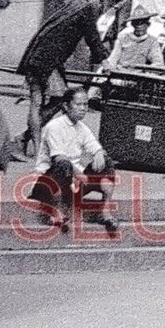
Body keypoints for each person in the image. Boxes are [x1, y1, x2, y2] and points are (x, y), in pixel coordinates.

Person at [17, 0, 107, 157]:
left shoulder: (73, 6)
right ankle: (29, 144)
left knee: (39, 101)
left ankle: (25, 140)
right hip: (46, 60)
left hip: (39, 57)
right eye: (99, 0)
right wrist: (105, 60)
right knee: (58, 99)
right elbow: (93, 38)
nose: (100, 5)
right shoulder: (85, 9)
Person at [30, 86, 117, 236]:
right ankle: (56, 212)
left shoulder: (82, 127)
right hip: (49, 183)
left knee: (107, 161)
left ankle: (105, 211)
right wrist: (79, 175)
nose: (83, 109)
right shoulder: (54, 126)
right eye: (78, 104)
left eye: (85, 104)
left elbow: (95, 147)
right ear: (66, 106)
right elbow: (59, 158)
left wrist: (98, 153)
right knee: (63, 165)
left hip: (72, 184)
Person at [106, 6, 163, 70]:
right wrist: (110, 69)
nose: (139, 26)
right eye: (136, 23)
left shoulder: (152, 41)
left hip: (138, 76)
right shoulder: (123, 38)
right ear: (133, 24)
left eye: (142, 23)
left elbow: (158, 63)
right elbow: (113, 59)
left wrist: (145, 71)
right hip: (120, 73)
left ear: (148, 24)